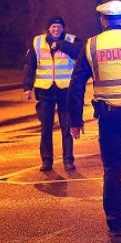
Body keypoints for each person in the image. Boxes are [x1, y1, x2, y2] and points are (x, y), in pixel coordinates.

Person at [68, 0, 121, 238]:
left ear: (102, 20)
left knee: (112, 169)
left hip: (110, 117)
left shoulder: (92, 45)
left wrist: (75, 121)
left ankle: (115, 223)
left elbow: (76, 84)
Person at [23, 16, 81, 172]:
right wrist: (27, 86)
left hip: (65, 90)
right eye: (54, 27)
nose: (56, 29)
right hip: (45, 90)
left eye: (59, 27)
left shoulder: (72, 40)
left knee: (67, 127)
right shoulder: (37, 42)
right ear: (48, 28)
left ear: (63, 29)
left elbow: (79, 53)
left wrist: (61, 45)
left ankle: (68, 160)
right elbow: (30, 65)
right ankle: (47, 161)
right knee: (46, 128)